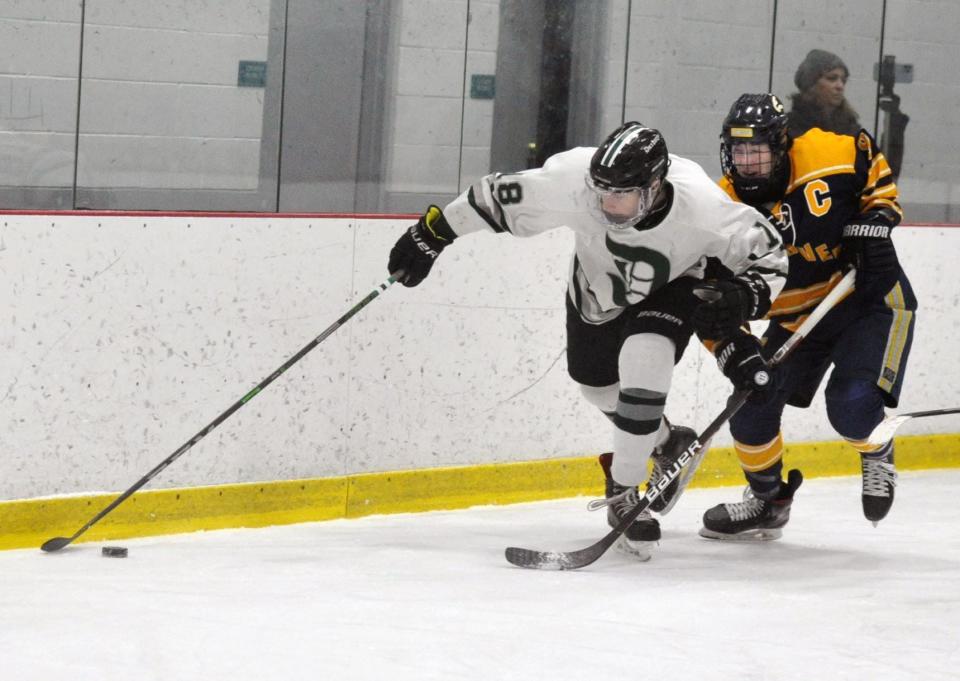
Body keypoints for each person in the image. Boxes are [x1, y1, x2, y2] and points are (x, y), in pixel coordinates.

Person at [388, 121, 788, 559]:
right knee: (595, 386)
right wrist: (431, 234)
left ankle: (624, 491)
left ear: (655, 185)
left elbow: (769, 253)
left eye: (623, 194)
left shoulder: (703, 206)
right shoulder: (572, 179)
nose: (609, 204)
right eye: (603, 193)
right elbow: (491, 197)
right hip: (596, 294)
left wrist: (744, 294)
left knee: (644, 359)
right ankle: (669, 442)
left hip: (674, 286)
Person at [699, 93, 916, 541]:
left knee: (851, 406)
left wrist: (875, 218)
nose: (747, 163)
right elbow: (711, 302)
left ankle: (875, 450)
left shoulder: (828, 151)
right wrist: (733, 351)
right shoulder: (722, 211)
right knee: (749, 406)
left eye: (756, 151)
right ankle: (768, 501)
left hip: (867, 299)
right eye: (738, 152)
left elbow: (873, 168)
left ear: (781, 146)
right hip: (800, 317)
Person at [788, 48, 860, 137]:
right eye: (832, 78)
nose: (840, 86)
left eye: (843, 80)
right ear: (811, 84)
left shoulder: (851, 128)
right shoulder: (789, 129)